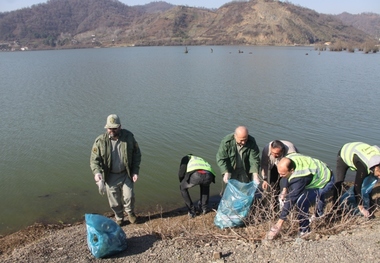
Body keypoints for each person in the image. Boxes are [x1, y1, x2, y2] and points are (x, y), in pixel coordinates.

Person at [267, 153, 334, 239]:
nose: (280, 176)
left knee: (302, 202)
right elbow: (285, 178)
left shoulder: (299, 179)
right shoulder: (289, 158)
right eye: (279, 173)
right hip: (321, 169)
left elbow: (291, 200)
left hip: (325, 180)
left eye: (283, 174)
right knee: (317, 196)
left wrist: (279, 223)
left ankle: (305, 230)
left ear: (292, 170)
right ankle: (319, 214)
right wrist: (284, 190)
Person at [90, 114, 142, 226]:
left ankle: (130, 213)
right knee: (114, 200)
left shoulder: (129, 137)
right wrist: (97, 173)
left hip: (126, 173)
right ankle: (119, 217)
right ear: (106, 128)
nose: (112, 130)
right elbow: (94, 160)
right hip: (110, 176)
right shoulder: (100, 141)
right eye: (110, 128)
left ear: (120, 127)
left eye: (114, 128)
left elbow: (137, 154)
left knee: (129, 196)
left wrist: (135, 171)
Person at [333, 142, 380, 217]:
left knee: (369, 180)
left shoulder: (377, 160)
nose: (379, 177)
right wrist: (361, 208)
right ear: (376, 168)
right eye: (379, 174)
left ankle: (369, 202)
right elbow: (357, 186)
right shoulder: (363, 167)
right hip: (344, 153)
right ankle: (335, 208)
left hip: (359, 153)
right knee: (339, 182)